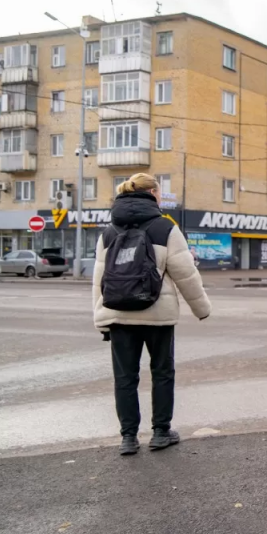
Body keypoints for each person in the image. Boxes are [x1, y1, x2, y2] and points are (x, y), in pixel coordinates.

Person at [93, 173, 212, 456]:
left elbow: (100, 279)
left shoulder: (109, 231)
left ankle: (128, 438)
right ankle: (160, 432)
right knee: (162, 373)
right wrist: (202, 309)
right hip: (157, 314)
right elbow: (185, 273)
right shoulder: (165, 228)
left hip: (119, 314)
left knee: (124, 378)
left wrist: (101, 318)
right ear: (154, 194)